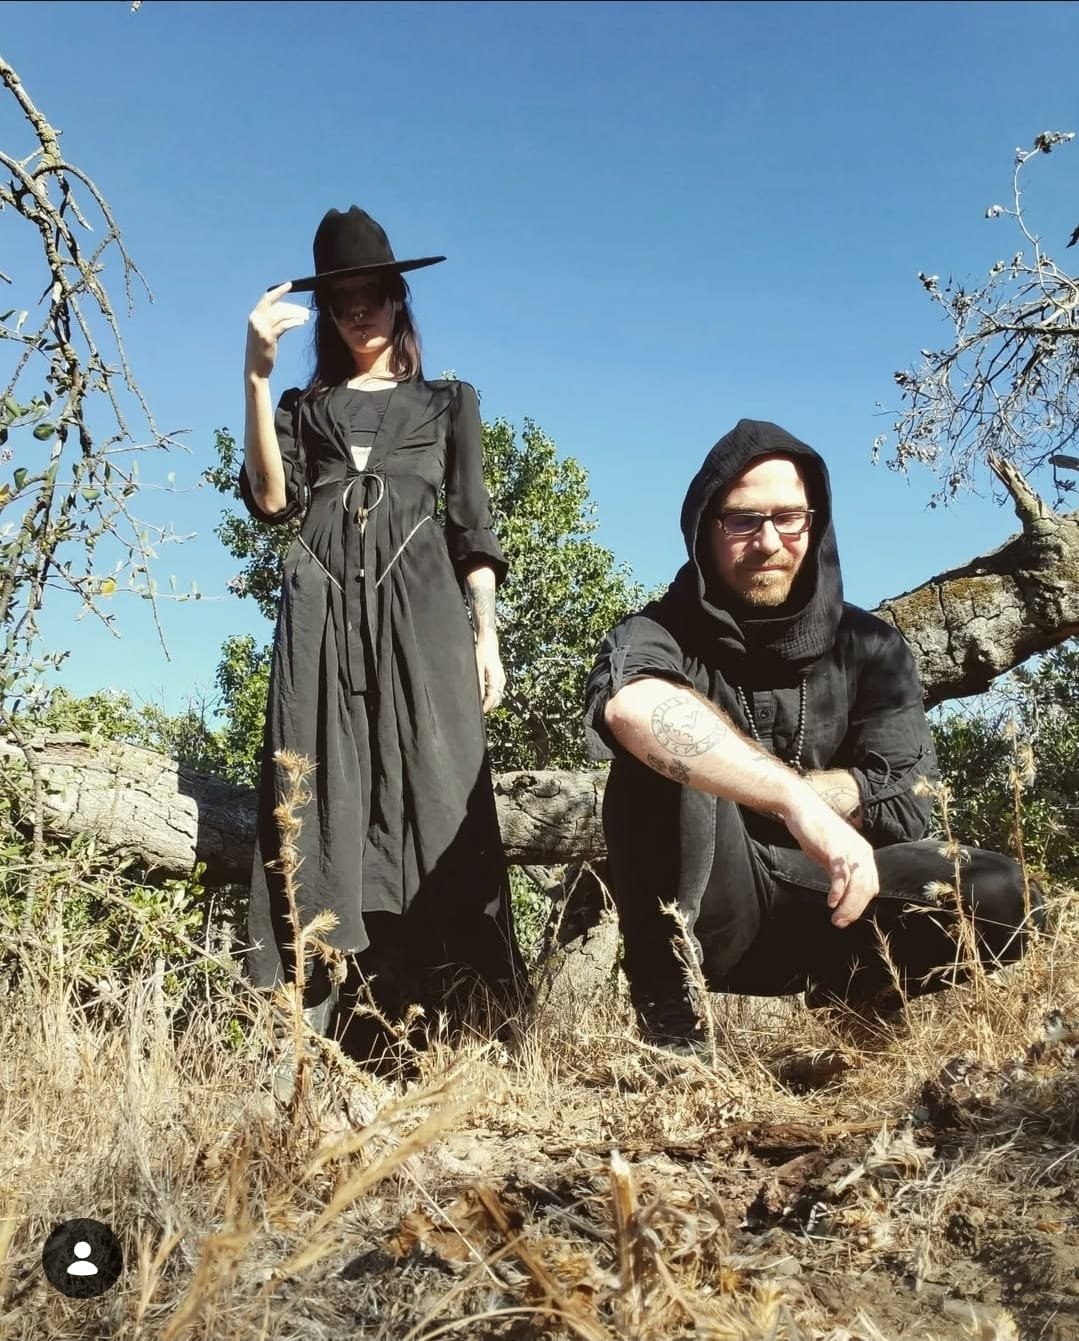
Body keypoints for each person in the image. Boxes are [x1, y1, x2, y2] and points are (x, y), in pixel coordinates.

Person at [584, 418, 1042, 1055]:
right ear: (703, 529)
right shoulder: (656, 633)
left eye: (788, 517)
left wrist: (762, 795)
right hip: (718, 906)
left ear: (815, 522)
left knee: (1003, 891)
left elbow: (910, 800)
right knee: (660, 757)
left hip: (846, 902)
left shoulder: (873, 646)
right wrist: (795, 802)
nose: (769, 541)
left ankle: (859, 994)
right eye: (742, 520)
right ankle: (676, 1036)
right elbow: (634, 708)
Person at [240, 205, 524, 1061]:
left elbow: (472, 526)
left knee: (440, 785)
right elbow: (270, 501)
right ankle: (319, 1028)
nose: (357, 311)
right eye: (340, 301)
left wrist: (486, 636)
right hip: (322, 608)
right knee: (318, 784)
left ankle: (468, 1022)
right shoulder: (302, 404)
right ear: (324, 316)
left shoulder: (448, 401)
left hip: (424, 606)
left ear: (400, 300)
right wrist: (254, 377)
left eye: (371, 294)